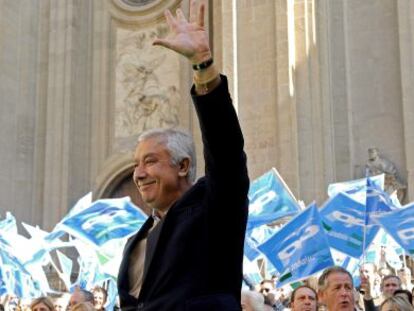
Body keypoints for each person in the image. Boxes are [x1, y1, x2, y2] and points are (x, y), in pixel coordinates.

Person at [116, 0, 250, 310]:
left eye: (151, 161)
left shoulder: (213, 208)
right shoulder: (136, 241)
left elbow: (226, 151)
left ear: (183, 166)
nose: (139, 173)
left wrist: (202, 64)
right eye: (137, 164)